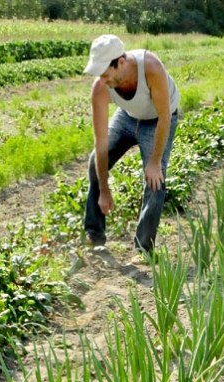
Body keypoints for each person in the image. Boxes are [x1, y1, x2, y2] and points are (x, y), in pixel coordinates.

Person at [82, 34, 180, 254]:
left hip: (158, 118)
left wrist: (154, 162)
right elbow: (101, 141)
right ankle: (95, 234)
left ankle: (143, 249)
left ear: (121, 62)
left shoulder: (151, 68)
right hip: (128, 116)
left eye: (105, 74)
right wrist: (104, 190)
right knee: (94, 162)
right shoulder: (100, 87)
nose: (102, 80)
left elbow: (165, 116)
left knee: (155, 180)